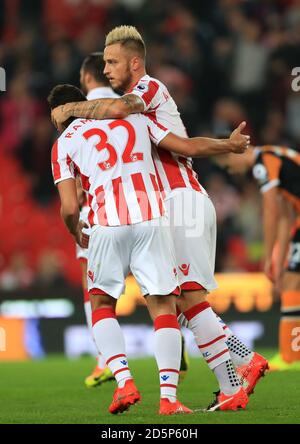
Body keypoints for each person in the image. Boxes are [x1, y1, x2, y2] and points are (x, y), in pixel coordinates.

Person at [51, 26, 259, 411]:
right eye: (105, 63)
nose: (107, 69)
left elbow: (118, 110)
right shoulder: (134, 115)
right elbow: (188, 144)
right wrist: (226, 144)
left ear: (134, 61)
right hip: (165, 206)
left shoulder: (143, 93)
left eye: (112, 62)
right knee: (181, 301)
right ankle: (234, 377)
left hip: (178, 202)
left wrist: (69, 109)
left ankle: (243, 365)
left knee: (185, 300)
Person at [48, 83, 194, 415]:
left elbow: (70, 208)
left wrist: (76, 233)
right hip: (151, 218)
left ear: (56, 116)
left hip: (106, 224)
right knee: (162, 308)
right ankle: (169, 399)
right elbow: (182, 146)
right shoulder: (130, 120)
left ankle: (124, 381)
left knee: (101, 303)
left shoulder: (63, 144)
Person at [215, 145, 300, 371]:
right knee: (291, 282)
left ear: (235, 153)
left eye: (228, 165)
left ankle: (291, 357)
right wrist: (277, 260)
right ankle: (291, 355)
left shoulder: (263, 163)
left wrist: (266, 256)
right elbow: (285, 218)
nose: (232, 171)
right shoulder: (277, 159)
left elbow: (271, 211)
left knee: (292, 283)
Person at [77, 53, 118, 388]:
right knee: (161, 290)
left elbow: (75, 177)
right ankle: (175, 342)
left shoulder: (77, 115)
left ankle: (105, 360)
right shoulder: (130, 106)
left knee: (94, 290)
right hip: (142, 207)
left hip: (98, 213)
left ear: (88, 77)